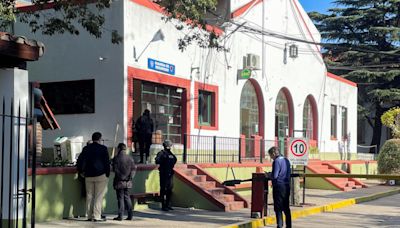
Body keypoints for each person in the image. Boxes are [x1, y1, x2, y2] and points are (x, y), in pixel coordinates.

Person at [77, 132, 110, 222]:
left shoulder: (86, 148)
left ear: (92, 139)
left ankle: (88, 215)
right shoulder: (103, 149)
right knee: (98, 196)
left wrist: (81, 171)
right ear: (99, 139)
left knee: (89, 196)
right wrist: (107, 173)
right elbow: (107, 162)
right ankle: (96, 216)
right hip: (101, 174)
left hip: (88, 175)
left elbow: (80, 161)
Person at [267, 146, 292, 228]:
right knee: (286, 207)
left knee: (278, 207)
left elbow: (275, 175)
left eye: (271, 155)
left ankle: (279, 225)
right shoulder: (286, 160)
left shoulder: (276, 161)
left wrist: (268, 175)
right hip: (287, 185)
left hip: (278, 186)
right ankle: (289, 225)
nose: (271, 158)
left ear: (274, 153)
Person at [112, 143, 136, 221]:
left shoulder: (116, 158)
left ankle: (120, 215)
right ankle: (130, 215)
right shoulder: (130, 158)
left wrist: (121, 177)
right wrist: (130, 177)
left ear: (119, 149)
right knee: (127, 198)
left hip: (119, 181)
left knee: (120, 199)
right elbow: (133, 169)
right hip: (128, 182)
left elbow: (115, 169)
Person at [155, 140, 177, 211]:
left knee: (169, 190)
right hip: (163, 174)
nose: (170, 147)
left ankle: (168, 204)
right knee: (163, 190)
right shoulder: (161, 153)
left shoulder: (171, 154)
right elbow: (157, 161)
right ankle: (163, 205)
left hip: (170, 174)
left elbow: (175, 160)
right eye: (169, 145)